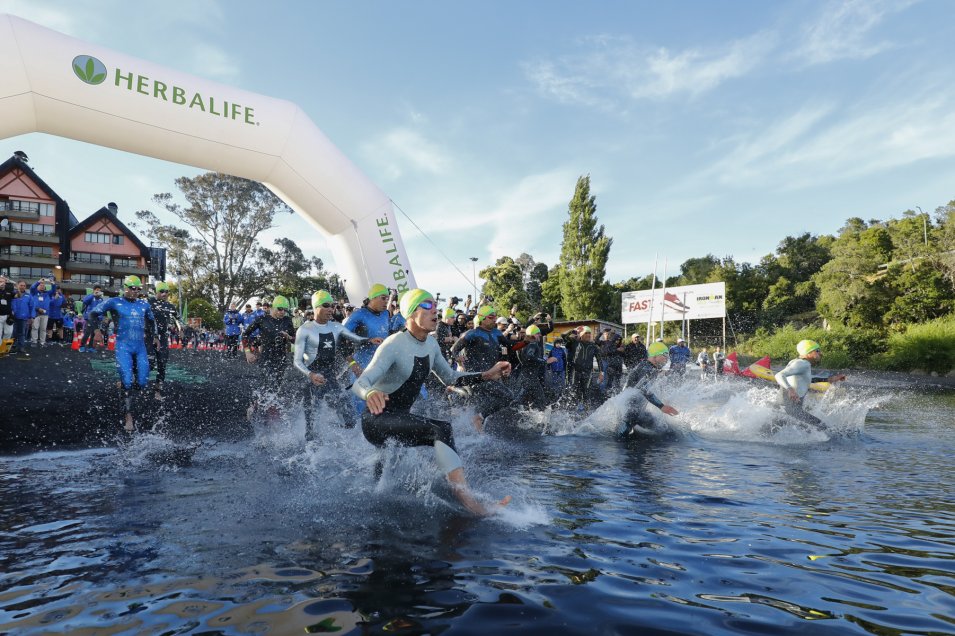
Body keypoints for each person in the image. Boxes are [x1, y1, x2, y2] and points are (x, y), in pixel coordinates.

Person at [352, 288, 512, 516]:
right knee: (441, 429)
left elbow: (451, 378)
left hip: (399, 419)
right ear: (410, 312)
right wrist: (368, 394)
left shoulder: (431, 345)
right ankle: (472, 505)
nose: (434, 310)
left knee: (383, 480)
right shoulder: (393, 344)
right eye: (426, 306)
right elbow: (361, 382)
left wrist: (487, 374)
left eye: (435, 306)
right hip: (376, 419)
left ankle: (373, 503)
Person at [294, 290, 368, 440]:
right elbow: (297, 361)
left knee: (349, 419)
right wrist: (311, 375)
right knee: (311, 426)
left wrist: (354, 364)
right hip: (311, 380)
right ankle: (310, 457)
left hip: (330, 377)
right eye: (326, 305)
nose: (331, 309)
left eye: (332, 306)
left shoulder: (335, 327)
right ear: (315, 307)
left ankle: (337, 442)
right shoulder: (305, 330)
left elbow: (344, 349)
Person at [89, 275, 156, 431]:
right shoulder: (114, 302)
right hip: (123, 346)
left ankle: (125, 389)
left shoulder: (144, 304)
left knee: (142, 382)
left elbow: (152, 322)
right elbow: (93, 314)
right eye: (133, 288)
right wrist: (97, 331)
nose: (136, 292)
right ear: (125, 287)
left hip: (140, 347)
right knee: (127, 381)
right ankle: (128, 416)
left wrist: (156, 338)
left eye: (139, 289)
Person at [450, 304, 516, 431]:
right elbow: (453, 350)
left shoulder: (497, 333)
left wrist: (526, 341)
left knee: (481, 405)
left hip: (491, 376)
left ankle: (474, 429)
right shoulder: (472, 334)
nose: (494, 319)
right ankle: (478, 418)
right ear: (482, 318)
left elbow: (511, 347)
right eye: (491, 317)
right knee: (507, 395)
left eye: (495, 317)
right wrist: (457, 359)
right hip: (476, 377)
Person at [244, 295, 297, 420]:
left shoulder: (287, 321)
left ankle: (268, 412)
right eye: (279, 309)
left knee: (275, 387)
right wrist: (247, 352)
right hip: (266, 358)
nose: (282, 312)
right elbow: (245, 335)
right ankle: (255, 406)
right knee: (266, 384)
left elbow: (295, 340)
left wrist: (288, 337)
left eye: (285, 309)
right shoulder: (262, 319)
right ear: (272, 308)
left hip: (281, 358)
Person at [774, 339, 847, 429]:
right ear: (808, 352)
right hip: (791, 410)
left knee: (765, 434)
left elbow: (808, 379)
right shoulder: (802, 364)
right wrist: (790, 389)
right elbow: (779, 375)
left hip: (785, 409)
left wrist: (830, 379)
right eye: (817, 351)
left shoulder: (799, 363)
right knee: (823, 428)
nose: (821, 353)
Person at [343, 283, 391, 411]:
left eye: (388, 298)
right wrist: (353, 364)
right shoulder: (359, 315)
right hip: (362, 365)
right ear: (373, 298)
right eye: (383, 298)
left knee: (381, 404)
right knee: (361, 406)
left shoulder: (386, 314)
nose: (386, 301)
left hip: (381, 365)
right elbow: (341, 339)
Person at [620, 342, 680, 436]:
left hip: (639, 411)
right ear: (655, 355)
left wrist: (665, 400)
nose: (667, 359)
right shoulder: (646, 368)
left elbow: (651, 389)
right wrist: (661, 406)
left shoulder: (650, 367)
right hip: (629, 412)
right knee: (620, 439)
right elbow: (644, 389)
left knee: (667, 431)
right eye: (664, 355)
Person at [146, 281, 179, 399]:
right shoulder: (149, 302)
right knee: (148, 363)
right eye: (162, 291)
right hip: (149, 337)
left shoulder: (170, 306)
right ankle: (132, 379)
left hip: (163, 337)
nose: (165, 294)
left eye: (167, 292)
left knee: (162, 365)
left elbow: (178, 319)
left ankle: (157, 391)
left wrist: (181, 328)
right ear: (156, 292)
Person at [515, 324, 558, 409]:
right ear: (533, 335)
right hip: (530, 379)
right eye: (538, 333)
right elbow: (529, 357)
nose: (540, 335)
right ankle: (541, 421)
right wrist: (546, 361)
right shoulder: (532, 344)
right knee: (540, 402)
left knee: (523, 402)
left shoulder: (524, 343)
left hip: (526, 377)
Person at [565, 326, 604, 407]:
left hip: (587, 372)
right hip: (575, 371)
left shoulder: (593, 346)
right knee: (572, 390)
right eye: (586, 333)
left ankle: (586, 411)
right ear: (581, 334)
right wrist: (573, 330)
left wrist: (601, 373)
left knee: (586, 392)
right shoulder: (575, 342)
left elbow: (599, 360)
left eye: (590, 333)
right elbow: (563, 336)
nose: (589, 335)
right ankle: (570, 410)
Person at [10, 280, 35, 357]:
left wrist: (32, 317)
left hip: (24, 317)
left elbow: (32, 307)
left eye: (24, 285)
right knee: (12, 332)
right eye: (21, 285)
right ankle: (12, 346)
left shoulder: (28, 296)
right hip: (12, 317)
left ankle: (21, 347)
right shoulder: (12, 294)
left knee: (22, 333)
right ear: (17, 285)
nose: (22, 287)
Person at [79, 285, 104, 352]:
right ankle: (82, 346)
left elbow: (102, 309)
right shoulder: (90, 296)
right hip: (90, 318)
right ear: (94, 290)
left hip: (97, 319)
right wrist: (93, 294)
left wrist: (101, 317)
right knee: (87, 332)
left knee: (94, 333)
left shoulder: (101, 299)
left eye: (99, 290)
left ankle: (91, 347)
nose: (98, 291)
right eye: (97, 289)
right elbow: (85, 301)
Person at [28, 279, 53, 346]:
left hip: (45, 314)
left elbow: (53, 290)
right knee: (35, 328)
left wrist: (52, 283)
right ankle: (34, 341)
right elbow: (32, 287)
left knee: (43, 328)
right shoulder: (34, 292)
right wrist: (38, 281)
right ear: (37, 286)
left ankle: (42, 341)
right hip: (36, 313)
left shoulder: (47, 294)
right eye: (40, 285)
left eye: (43, 285)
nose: (42, 286)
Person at [0, 274, 15, 348]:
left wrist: (13, 285)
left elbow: (17, 295)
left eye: (3, 282)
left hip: (8, 315)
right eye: (0, 281)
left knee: (8, 332)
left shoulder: (9, 290)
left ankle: (4, 348)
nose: (2, 283)